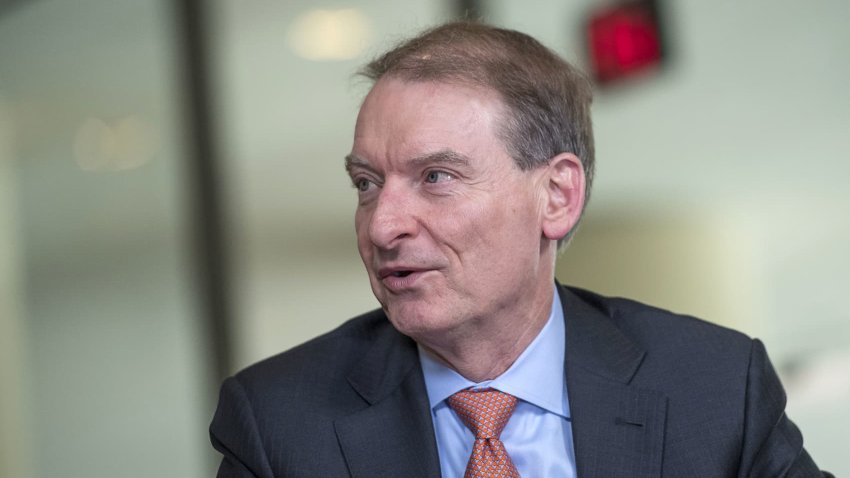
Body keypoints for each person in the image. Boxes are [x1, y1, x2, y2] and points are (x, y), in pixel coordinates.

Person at [210, 22, 831, 477]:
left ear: (557, 196)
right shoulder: (278, 425)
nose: (381, 226)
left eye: (436, 177)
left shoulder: (714, 388)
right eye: (367, 184)